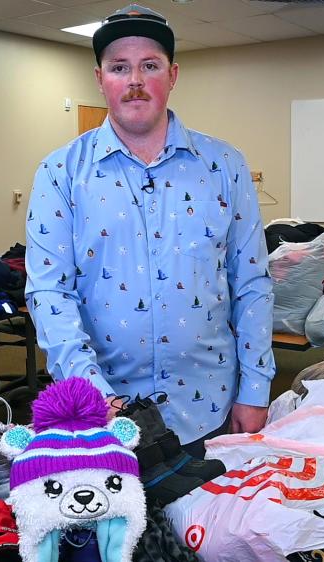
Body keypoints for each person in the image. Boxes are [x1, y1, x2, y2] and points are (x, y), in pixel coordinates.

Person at [25, 3, 275, 455]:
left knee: (217, 526)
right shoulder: (60, 172)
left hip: (211, 410)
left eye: (149, 65)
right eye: (119, 67)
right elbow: (49, 294)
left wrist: (255, 387)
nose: (135, 80)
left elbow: (252, 283)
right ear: (100, 79)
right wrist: (96, 399)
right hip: (106, 420)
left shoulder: (225, 167)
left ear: (173, 75)